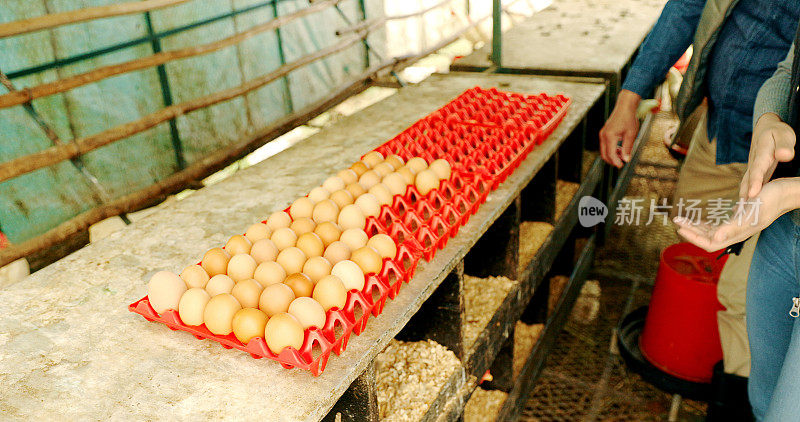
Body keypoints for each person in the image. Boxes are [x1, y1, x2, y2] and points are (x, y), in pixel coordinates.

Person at [598, 0, 800, 414]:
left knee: (744, 299)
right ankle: (708, 361)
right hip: (723, 128)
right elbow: (688, 8)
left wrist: (785, 190)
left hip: (781, 164)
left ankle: (731, 400)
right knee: (697, 243)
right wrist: (630, 96)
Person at [675, 37, 800, 420]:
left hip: (784, 205)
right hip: (783, 237)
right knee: (763, 401)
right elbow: (787, 70)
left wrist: (789, 194)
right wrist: (769, 123)